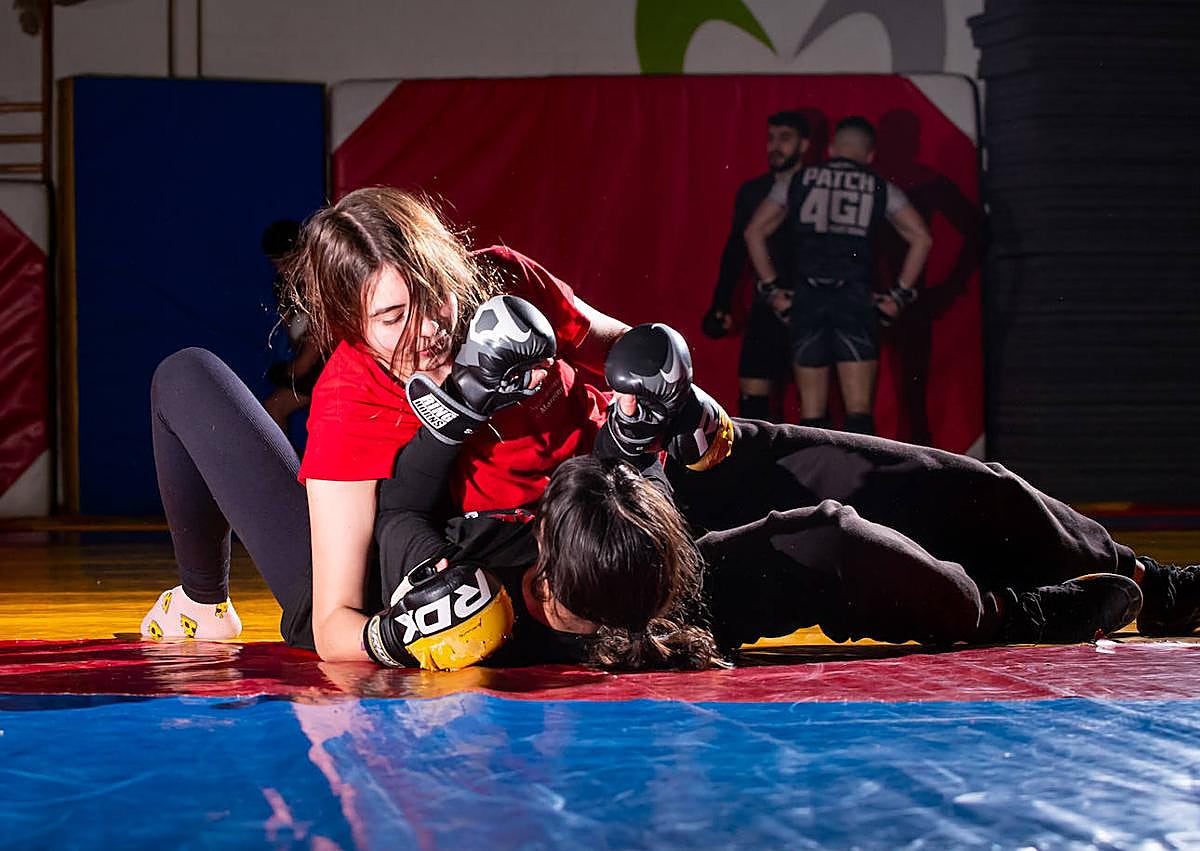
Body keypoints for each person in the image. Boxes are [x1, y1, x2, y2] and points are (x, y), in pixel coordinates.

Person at [362, 322, 1197, 673]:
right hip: (652, 581)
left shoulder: (513, 286)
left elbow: (401, 511)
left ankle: (1147, 581)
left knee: (939, 483)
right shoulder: (521, 606)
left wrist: (653, 416)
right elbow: (386, 518)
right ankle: (1014, 613)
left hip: (623, 504)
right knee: (832, 540)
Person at [140, 187, 630, 662]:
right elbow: (333, 625)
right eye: (393, 317)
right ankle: (203, 601)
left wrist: (670, 385)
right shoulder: (348, 398)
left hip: (563, 529)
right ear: (350, 326)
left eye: (434, 295)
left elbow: (621, 349)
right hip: (408, 574)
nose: (429, 331)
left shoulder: (501, 287)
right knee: (185, 374)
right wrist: (399, 632)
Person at [744, 115, 934, 434]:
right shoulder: (879, 186)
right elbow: (922, 238)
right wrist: (899, 296)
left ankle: (815, 481)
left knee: (812, 416)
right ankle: (858, 480)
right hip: (855, 301)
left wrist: (773, 291)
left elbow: (754, 231)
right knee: (859, 415)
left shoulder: (798, 180)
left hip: (807, 300)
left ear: (831, 149)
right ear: (870, 154)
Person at [702, 111, 811, 422]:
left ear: (804, 144)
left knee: (816, 402)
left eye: (785, 138)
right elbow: (736, 248)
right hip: (766, 305)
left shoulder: (817, 187)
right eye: (771, 138)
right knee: (753, 399)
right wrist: (720, 303)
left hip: (810, 305)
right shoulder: (754, 191)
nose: (775, 146)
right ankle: (758, 470)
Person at [259, 219, 324, 434]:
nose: (283, 269)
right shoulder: (283, 285)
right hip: (314, 363)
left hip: (338, 363)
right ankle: (286, 466)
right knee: (274, 407)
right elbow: (295, 330)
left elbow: (321, 335)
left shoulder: (322, 276)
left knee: (276, 406)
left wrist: (300, 366)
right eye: (276, 263)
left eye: (287, 262)